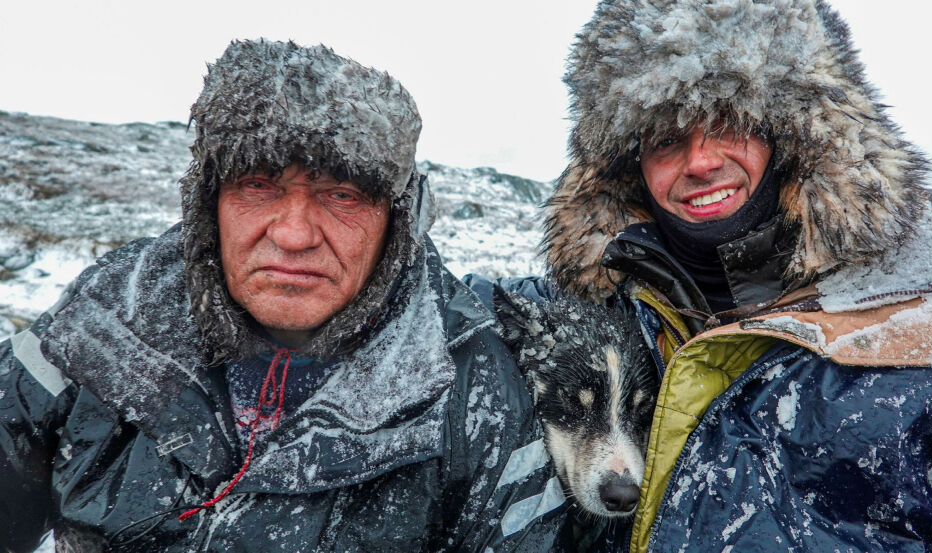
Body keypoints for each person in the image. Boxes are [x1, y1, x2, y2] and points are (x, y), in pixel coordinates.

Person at [0, 40, 565, 552]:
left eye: (342, 194)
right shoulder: (107, 316)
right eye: (257, 185)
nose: (294, 234)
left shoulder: (472, 383)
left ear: (396, 224)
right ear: (208, 205)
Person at [537, 1, 932, 551]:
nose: (699, 161)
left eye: (729, 122)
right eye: (665, 139)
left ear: (792, 134)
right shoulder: (604, 303)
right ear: (630, 166)